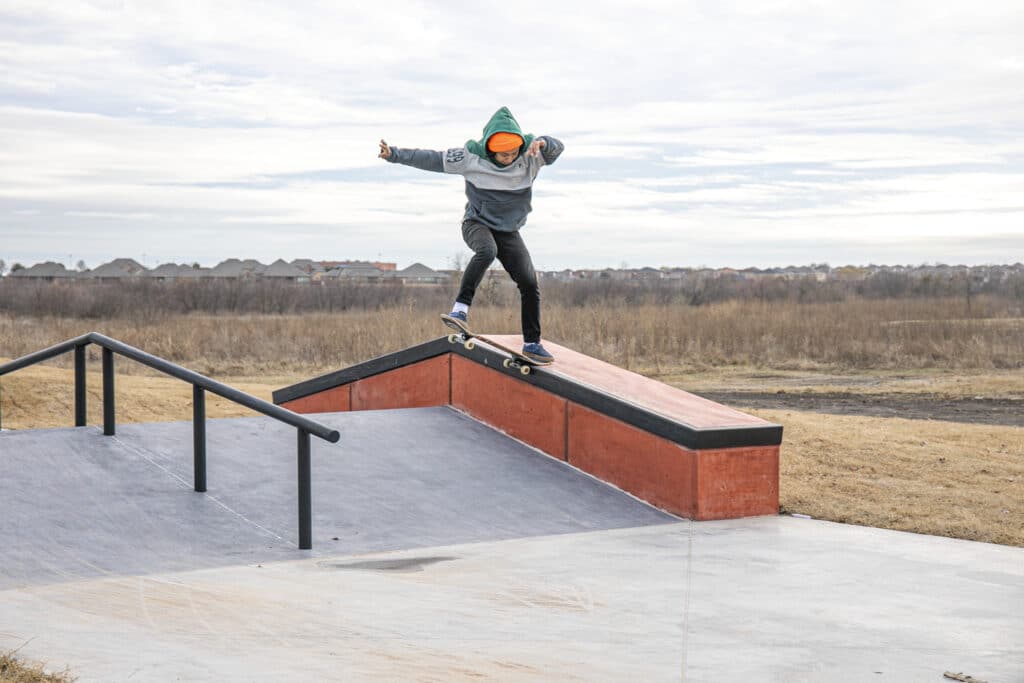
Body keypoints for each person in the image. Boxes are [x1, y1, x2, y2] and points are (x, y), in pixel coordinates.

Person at [378, 106, 564, 363]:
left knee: (530, 283)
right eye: (502, 155)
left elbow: (558, 148)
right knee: (488, 251)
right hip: (476, 223)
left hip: (509, 231)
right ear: (490, 149)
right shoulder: (470, 158)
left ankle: (532, 343)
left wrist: (544, 142)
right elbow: (432, 158)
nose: (509, 158)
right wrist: (394, 154)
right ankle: (460, 311)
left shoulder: (531, 154)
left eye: (512, 153)